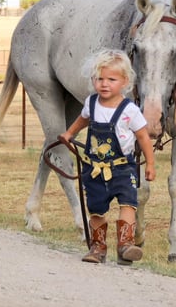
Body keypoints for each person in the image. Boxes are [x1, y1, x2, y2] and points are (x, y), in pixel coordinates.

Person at [59, 49, 156, 265]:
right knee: (96, 209)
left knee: (128, 204)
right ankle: (98, 247)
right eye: (99, 79)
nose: (104, 84)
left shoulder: (129, 110)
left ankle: (126, 246)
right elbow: (82, 120)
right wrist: (69, 134)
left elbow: (143, 136)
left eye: (111, 79)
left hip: (123, 168)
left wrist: (150, 164)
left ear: (125, 81)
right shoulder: (91, 104)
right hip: (94, 169)